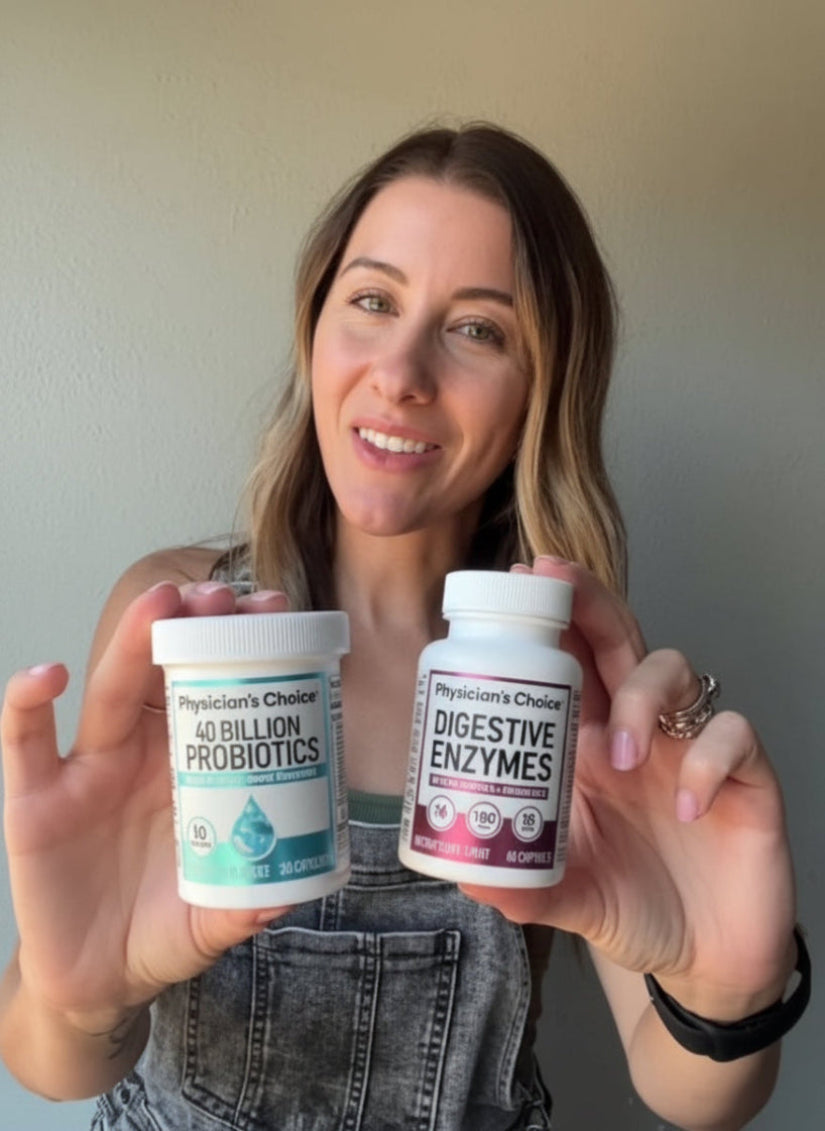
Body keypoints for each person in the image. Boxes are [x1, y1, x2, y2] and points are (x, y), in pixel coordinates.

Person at [0, 123, 807, 1131]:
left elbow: (695, 1096)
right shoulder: (187, 627)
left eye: (478, 329)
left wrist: (726, 990)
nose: (400, 371)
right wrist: (79, 1002)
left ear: (542, 386)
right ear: (315, 327)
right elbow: (51, 1060)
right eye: (374, 301)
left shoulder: (556, 672)